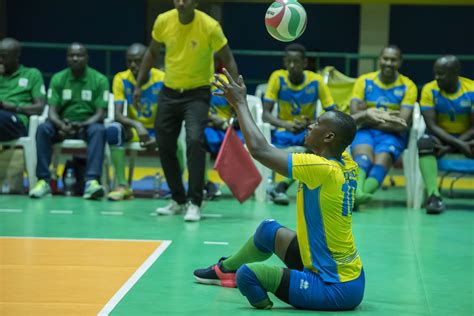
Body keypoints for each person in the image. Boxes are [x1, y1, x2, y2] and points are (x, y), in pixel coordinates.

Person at [194, 69, 364, 311]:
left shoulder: (321, 168)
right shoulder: (346, 161)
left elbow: (260, 150)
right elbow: (346, 131)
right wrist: (366, 114)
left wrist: (240, 103)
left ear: (328, 137)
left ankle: (261, 299)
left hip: (333, 287)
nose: (310, 125)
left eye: (317, 124)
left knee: (248, 276)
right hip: (340, 272)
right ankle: (223, 270)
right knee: (268, 231)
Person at [134, 0, 239, 221]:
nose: (181, 2)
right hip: (170, 91)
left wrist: (235, 91)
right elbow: (152, 53)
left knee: (194, 140)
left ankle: (195, 202)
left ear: (196, 2)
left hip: (197, 93)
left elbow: (227, 57)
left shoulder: (210, 26)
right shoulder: (164, 21)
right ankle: (178, 198)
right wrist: (138, 85)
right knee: (164, 143)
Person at [29, 43, 109, 199]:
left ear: (87, 58)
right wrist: (60, 125)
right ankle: (43, 181)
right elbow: (51, 111)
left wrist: (82, 125)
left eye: (79, 55)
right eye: (71, 55)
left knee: (99, 130)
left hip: (87, 125)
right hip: (63, 125)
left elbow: (100, 113)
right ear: (67, 58)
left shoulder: (99, 79)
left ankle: (91, 182)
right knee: (43, 129)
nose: (75, 59)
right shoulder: (59, 78)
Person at [262, 43, 336, 205]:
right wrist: (287, 124)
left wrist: (310, 123)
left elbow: (332, 113)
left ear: (305, 63)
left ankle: (279, 187)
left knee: (319, 147)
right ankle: (277, 187)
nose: (292, 66)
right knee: (298, 153)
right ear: (285, 62)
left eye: (296, 62)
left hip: (306, 133)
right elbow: (265, 114)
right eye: (289, 62)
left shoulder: (316, 81)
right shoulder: (278, 77)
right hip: (283, 132)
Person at [106, 43, 178, 201]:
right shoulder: (121, 79)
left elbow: (172, 114)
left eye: (138, 61)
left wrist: (159, 138)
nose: (133, 65)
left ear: (149, 61)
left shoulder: (163, 79)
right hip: (136, 131)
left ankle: (177, 190)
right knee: (113, 130)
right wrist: (137, 125)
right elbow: (118, 115)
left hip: (159, 130)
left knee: (179, 137)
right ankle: (123, 186)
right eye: (129, 61)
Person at [350, 45, 417, 206]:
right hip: (365, 131)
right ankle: (358, 195)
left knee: (380, 164)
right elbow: (354, 113)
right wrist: (386, 120)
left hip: (392, 135)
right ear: (380, 59)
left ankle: (357, 196)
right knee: (363, 160)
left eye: (393, 60)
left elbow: (401, 123)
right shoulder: (364, 81)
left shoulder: (408, 86)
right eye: (385, 59)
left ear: (399, 62)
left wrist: (369, 116)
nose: (388, 63)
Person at [418, 55, 474, 214]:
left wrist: (452, 147)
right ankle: (434, 196)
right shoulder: (430, 89)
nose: (437, 77)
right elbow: (432, 126)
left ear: (455, 72)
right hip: (440, 138)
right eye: (436, 73)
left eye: (441, 73)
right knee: (424, 143)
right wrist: (457, 145)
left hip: (467, 138)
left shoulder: (471, 90)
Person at [0, 37, 46, 141]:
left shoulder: (32, 74)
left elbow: (40, 108)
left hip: (16, 120)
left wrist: (14, 108)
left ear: (16, 56)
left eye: (3, 57)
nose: (0, 60)